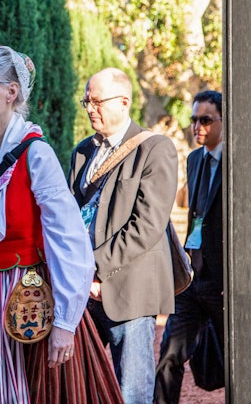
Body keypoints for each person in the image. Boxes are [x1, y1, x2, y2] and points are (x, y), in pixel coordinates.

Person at [0, 45, 122, 404]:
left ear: (11, 92)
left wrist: (64, 322)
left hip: (24, 295)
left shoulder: (36, 154)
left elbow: (67, 238)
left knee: (17, 390)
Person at [68, 68, 179, 404]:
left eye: (97, 101)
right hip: (82, 292)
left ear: (123, 102)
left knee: (131, 393)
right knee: (78, 387)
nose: (89, 108)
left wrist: (95, 269)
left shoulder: (155, 149)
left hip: (130, 290)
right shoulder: (83, 151)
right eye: (86, 100)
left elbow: (146, 225)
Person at [154, 90, 224, 404]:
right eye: (194, 119)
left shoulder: (240, 161)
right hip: (192, 277)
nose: (198, 126)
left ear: (224, 121)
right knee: (169, 353)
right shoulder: (194, 159)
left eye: (206, 120)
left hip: (224, 281)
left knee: (237, 361)